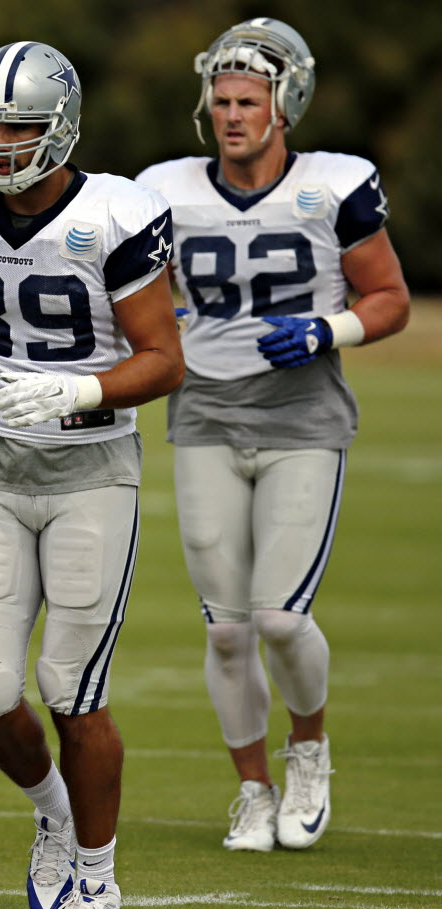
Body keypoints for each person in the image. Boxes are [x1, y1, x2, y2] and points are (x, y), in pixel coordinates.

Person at [0, 42, 184, 909]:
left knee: (71, 686)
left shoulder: (114, 214)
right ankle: (55, 813)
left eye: (19, 125)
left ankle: (99, 882)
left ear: (60, 124)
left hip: (91, 475)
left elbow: (165, 362)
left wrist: (83, 389)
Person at [136, 18, 409, 852]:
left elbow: (389, 298)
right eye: (219, 100)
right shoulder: (167, 189)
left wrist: (331, 332)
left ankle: (310, 749)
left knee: (281, 620)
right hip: (208, 410)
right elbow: (142, 294)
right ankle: (252, 789)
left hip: (301, 413)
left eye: (247, 100)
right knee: (226, 626)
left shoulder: (334, 185)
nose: (230, 115)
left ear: (285, 103)